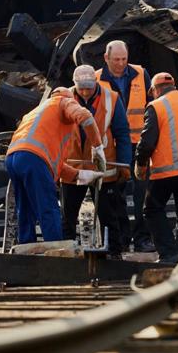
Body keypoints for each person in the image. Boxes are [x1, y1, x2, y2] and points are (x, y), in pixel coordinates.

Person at [6, 88, 104, 244]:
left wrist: (79, 175)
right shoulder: (63, 102)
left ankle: (26, 247)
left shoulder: (38, 112)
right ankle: (56, 250)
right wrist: (98, 147)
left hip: (13, 158)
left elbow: (53, 163)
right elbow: (85, 116)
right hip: (33, 158)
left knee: (24, 208)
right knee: (48, 206)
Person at [59, 65, 133, 258]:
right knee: (68, 215)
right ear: (75, 85)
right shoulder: (63, 98)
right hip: (72, 166)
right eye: (81, 88)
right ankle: (67, 251)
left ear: (95, 84)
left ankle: (114, 253)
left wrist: (125, 164)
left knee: (109, 213)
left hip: (103, 167)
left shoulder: (112, 99)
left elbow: (122, 134)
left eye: (88, 89)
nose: (84, 93)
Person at [134, 72, 178, 264]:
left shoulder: (156, 106)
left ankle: (168, 253)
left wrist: (140, 164)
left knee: (152, 210)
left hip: (167, 170)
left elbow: (147, 142)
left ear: (155, 90)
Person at [96, 40, 156, 252]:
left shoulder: (140, 73)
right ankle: (119, 239)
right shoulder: (96, 80)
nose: (120, 64)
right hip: (111, 147)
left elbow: (152, 107)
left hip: (139, 145)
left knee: (142, 192)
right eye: (116, 60)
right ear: (106, 58)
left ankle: (142, 238)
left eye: (124, 59)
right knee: (114, 193)